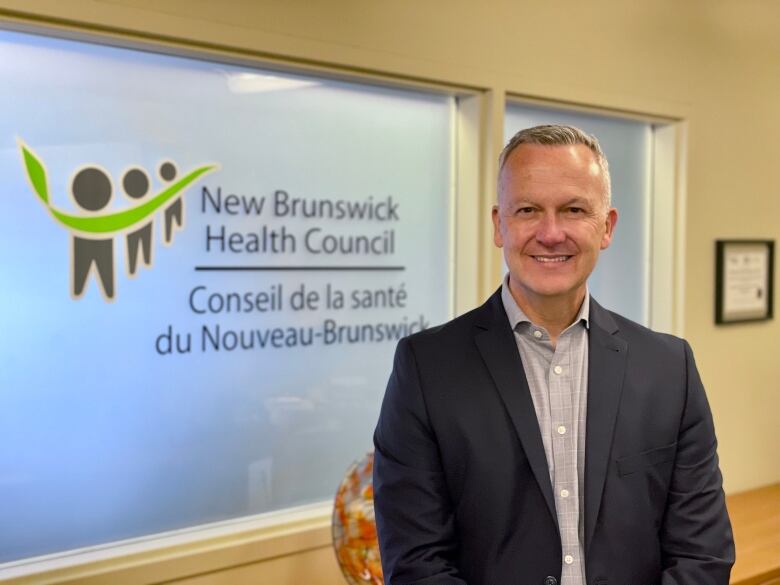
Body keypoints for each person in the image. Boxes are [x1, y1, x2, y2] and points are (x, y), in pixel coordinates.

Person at [373, 124, 734, 585]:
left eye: (573, 209)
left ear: (606, 227)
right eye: (527, 210)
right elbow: (417, 565)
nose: (550, 233)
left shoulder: (669, 368)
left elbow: (702, 555)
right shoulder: (426, 368)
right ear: (499, 225)